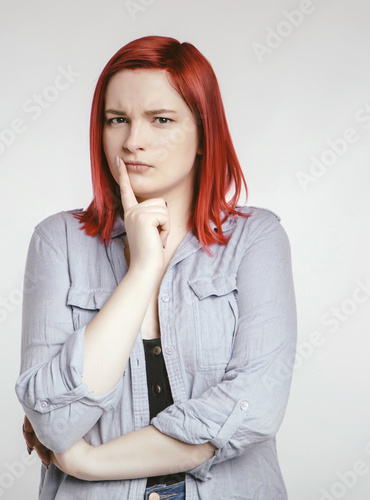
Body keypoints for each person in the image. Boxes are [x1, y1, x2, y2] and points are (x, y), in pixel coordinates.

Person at [15, 35, 297, 500]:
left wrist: (86, 460)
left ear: (205, 134)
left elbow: (253, 407)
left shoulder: (256, 239)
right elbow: (54, 419)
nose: (133, 142)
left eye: (160, 119)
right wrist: (144, 269)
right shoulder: (58, 241)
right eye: (117, 120)